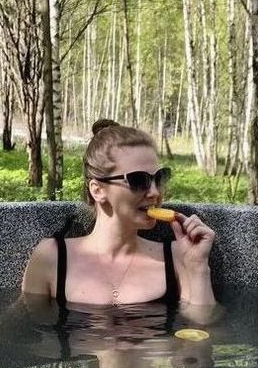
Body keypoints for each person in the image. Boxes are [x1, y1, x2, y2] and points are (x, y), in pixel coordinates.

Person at [21, 119, 217, 310]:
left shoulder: (177, 256)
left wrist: (198, 268)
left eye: (159, 178)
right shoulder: (51, 257)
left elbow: (202, 327)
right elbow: (29, 325)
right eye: (138, 180)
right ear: (98, 190)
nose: (155, 192)